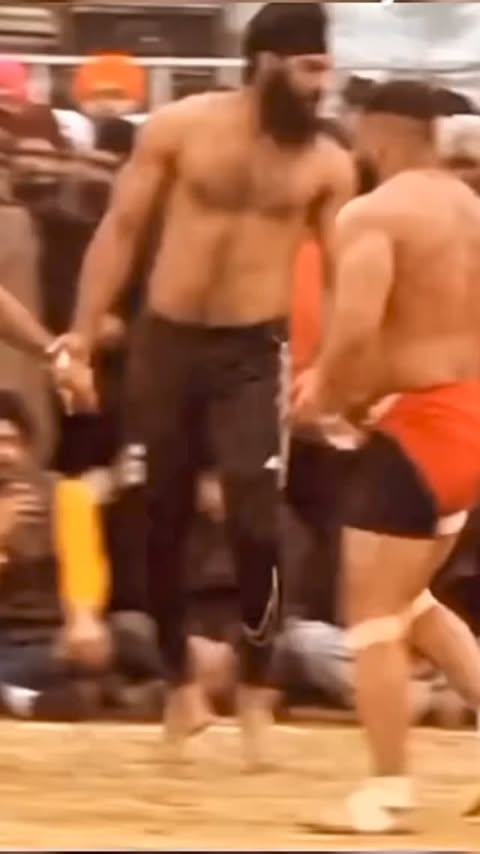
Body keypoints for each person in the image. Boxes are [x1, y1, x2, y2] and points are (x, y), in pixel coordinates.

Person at [56, 1, 355, 766]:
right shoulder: (181, 127)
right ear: (267, 62)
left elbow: (346, 274)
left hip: (253, 350)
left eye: (325, 68)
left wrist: (333, 368)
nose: (322, 85)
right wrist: (82, 336)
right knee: (162, 516)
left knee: (257, 518)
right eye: (310, 68)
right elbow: (122, 229)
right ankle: (180, 684)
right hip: (167, 339)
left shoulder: (327, 163)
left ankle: (255, 686)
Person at [293, 79, 480, 833]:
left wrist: (324, 398)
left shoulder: (375, 213)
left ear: (379, 133)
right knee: (414, 602)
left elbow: (355, 331)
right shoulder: (471, 209)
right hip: (470, 415)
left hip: (423, 424)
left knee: (371, 617)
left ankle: (386, 793)